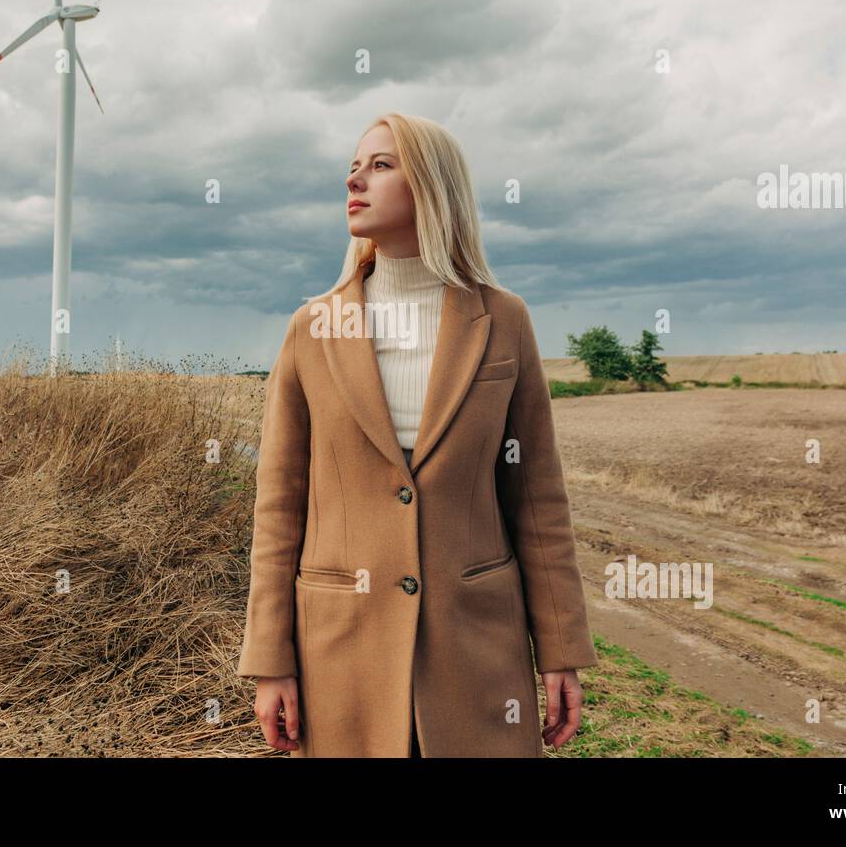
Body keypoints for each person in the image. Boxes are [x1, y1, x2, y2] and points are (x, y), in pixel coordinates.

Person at [238, 112, 600, 757]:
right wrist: (271, 660)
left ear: (434, 186)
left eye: (381, 164)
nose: (355, 178)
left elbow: (539, 499)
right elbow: (279, 505)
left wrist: (561, 649)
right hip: (340, 649)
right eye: (354, 165)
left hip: (476, 650)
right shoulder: (311, 328)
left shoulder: (503, 320)